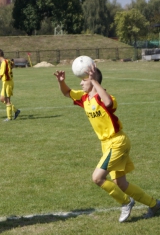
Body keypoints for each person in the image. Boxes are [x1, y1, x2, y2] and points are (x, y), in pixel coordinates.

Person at [54, 64, 160, 223]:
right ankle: (155, 204)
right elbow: (67, 93)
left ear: (93, 80)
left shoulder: (103, 97)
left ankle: (126, 202)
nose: (81, 83)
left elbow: (109, 103)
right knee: (121, 183)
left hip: (117, 142)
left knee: (97, 178)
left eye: (84, 80)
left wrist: (95, 81)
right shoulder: (85, 98)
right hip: (107, 144)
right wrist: (61, 82)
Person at [0, 49, 20, 121]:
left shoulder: (4, 63)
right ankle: (16, 110)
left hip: (7, 83)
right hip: (6, 82)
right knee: (2, 99)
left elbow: (0, 75)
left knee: (7, 100)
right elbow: (13, 64)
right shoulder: (8, 60)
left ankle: (9, 117)